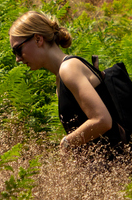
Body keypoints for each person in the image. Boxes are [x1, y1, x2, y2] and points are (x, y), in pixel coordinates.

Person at [8, 11, 119, 157]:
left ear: (38, 39)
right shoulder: (61, 76)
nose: (17, 59)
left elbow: (102, 120)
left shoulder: (69, 69)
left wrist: (66, 143)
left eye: (18, 49)